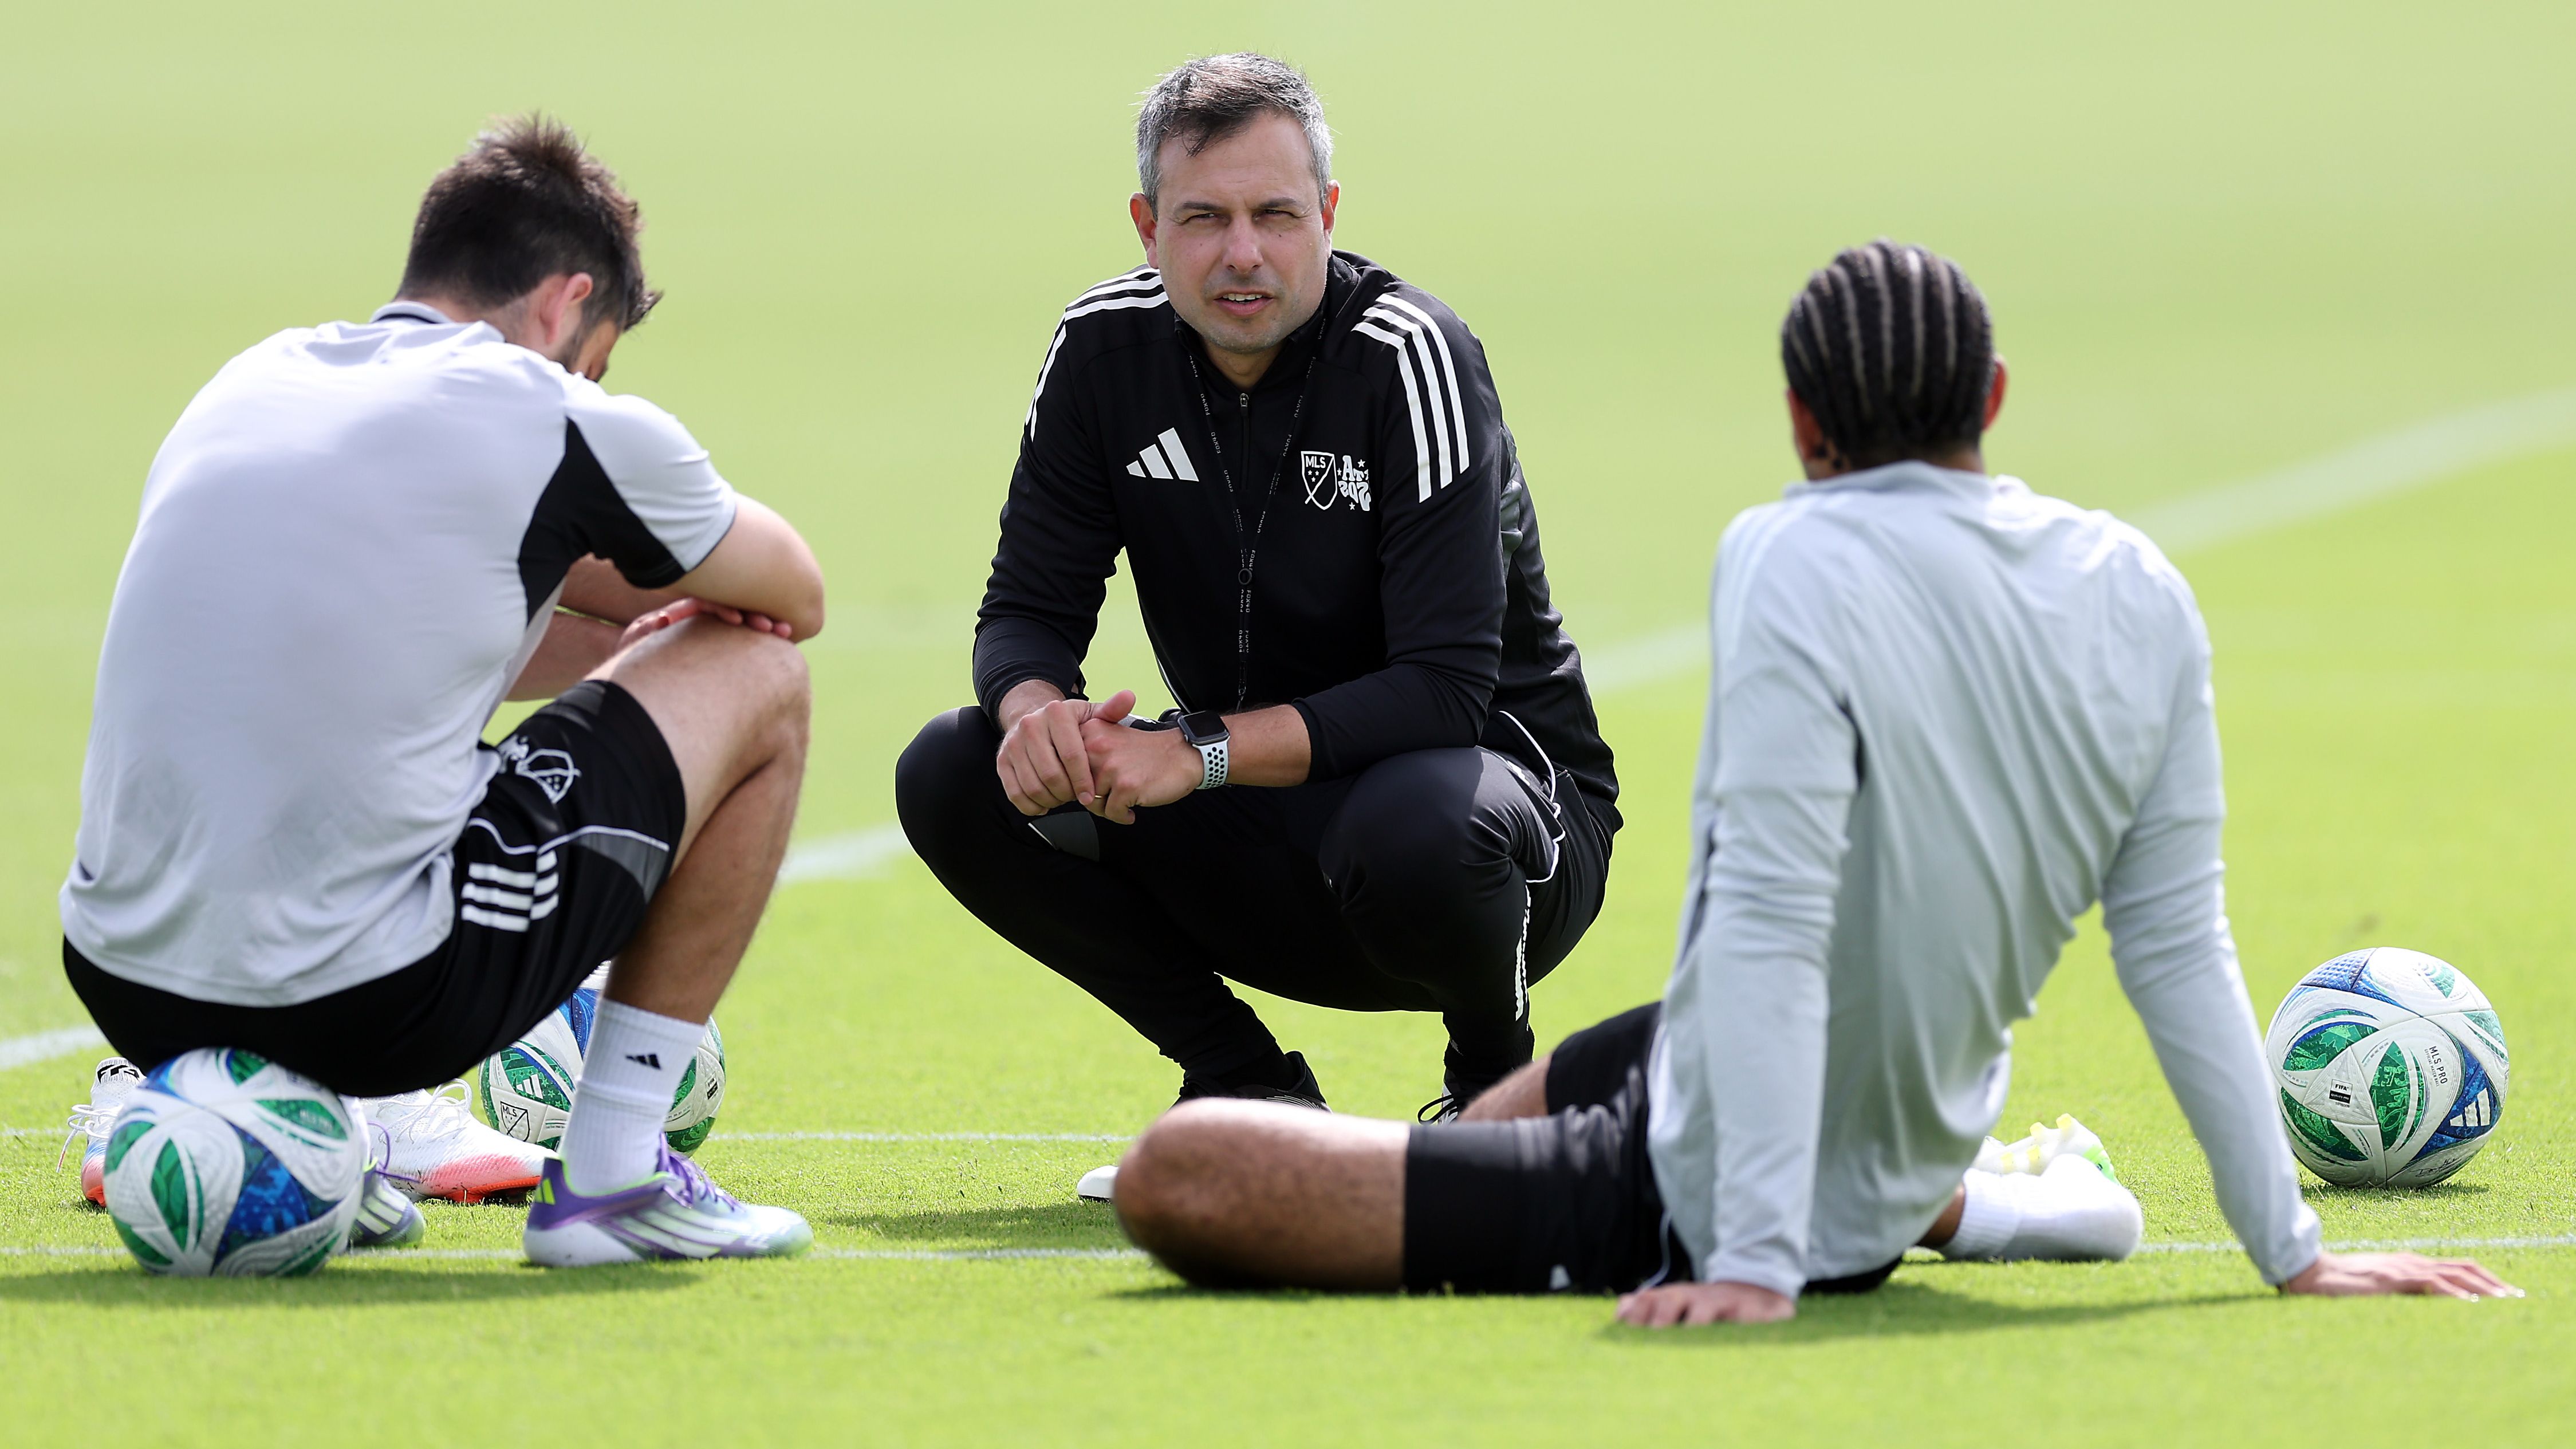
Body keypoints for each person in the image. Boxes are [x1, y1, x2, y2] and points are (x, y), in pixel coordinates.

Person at [1105, 241, 2519, 1320]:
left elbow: (1770, 918)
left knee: (1182, 1174)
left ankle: (1969, 1200)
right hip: (1799, 1089)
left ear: (1798, 423)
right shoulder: (2137, 582)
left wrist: (1758, 1258)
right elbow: (2173, 941)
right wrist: (2295, 1249)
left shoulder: (1781, 552)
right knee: (1500, 1109)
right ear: (1995, 399)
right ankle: (1984, 1191)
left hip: (1710, 1185)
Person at [58, 117, 825, 1267]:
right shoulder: (546, 407)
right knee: (760, 674)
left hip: (125, 982)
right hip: (371, 1001)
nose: (589, 380)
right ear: (568, 304)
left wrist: (593, 620)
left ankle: (317, 1143)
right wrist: (646, 608)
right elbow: (788, 591)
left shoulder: (254, 376)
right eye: (597, 357)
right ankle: (614, 1176)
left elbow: (395, 638)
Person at [896, 54, 1619, 1129]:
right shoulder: (1102, 351)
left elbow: (1442, 693)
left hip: (1488, 842)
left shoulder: (1410, 357)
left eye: (1276, 215)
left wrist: (1196, 753)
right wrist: (1035, 716)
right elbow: (1025, 612)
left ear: (1327, 213)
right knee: (958, 769)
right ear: (1147, 226)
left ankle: (1492, 1094)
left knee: (1419, 816)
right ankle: (1243, 1081)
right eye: (1203, 219)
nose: (1243, 254)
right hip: (1251, 829)